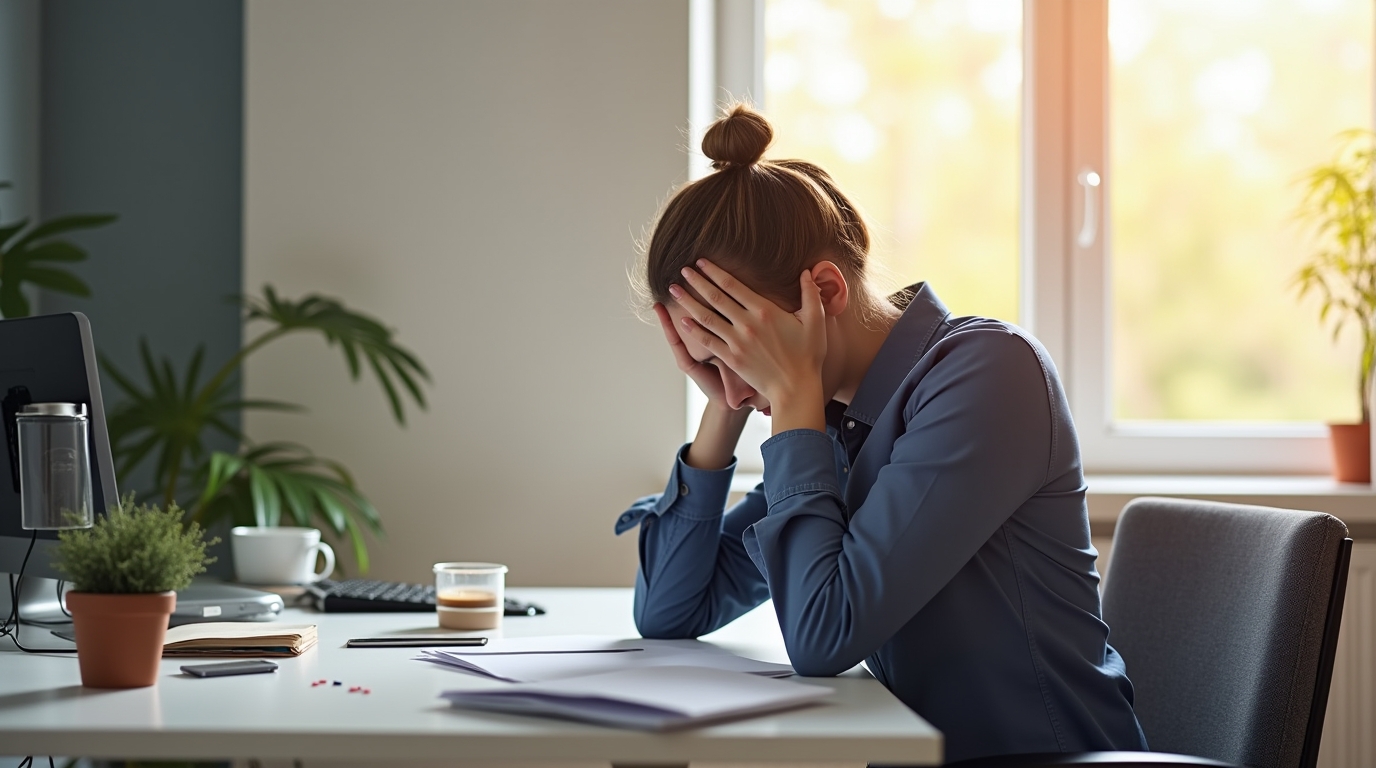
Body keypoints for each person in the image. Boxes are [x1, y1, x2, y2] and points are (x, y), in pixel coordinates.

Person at [614, 104, 1147, 763]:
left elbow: (823, 637)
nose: (733, 387)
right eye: (707, 361)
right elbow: (670, 612)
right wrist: (724, 409)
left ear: (824, 292)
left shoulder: (987, 375)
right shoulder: (838, 424)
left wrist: (789, 400)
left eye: (737, 353)